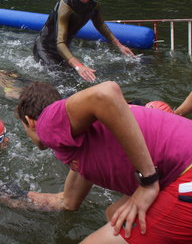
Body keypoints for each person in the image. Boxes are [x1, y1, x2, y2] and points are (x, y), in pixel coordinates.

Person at [15, 81, 192, 243]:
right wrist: (8, 195)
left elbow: (106, 92)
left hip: (185, 174)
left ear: (30, 122)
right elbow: (68, 201)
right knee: (114, 214)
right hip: (176, 169)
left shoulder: (46, 124)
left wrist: (148, 181)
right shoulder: (81, 139)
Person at [32, 0, 135, 82]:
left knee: (77, 78)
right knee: (61, 80)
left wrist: (119, 46)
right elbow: (60, 42)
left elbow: (100, 25)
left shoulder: (93, 6)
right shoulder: (66, 5)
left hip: (64, 49)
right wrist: (79, 66)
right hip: (45, 48)